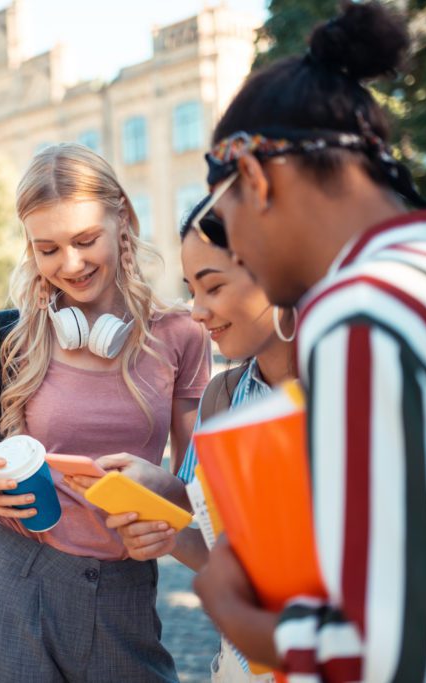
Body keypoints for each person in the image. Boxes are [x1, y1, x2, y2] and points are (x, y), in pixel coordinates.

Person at [190, 3, 426, 681]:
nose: (237, 246)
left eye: (224, 221)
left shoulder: (358, 313)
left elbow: (424, 646)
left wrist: (243, 620)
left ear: (253, 175)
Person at [0, 143, 210, 682]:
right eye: (47, 249)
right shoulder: (6, 338)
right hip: (13, 575)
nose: (70, 264)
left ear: (123, 219)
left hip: (123, 586)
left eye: (85, 240)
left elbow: (197, 491)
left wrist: (159, 493)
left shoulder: (181, 336)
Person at [82, 200, 293, 683]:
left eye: (213, 286)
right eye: (191, 290)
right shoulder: (223, 397)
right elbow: (218, 553)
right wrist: (167, 526)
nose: (197, 312)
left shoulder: (361, 397)